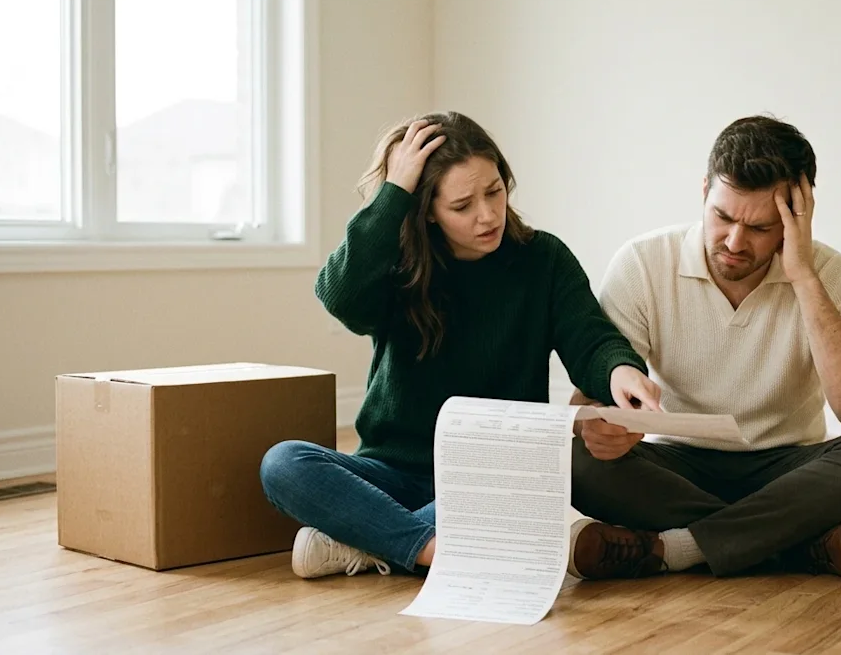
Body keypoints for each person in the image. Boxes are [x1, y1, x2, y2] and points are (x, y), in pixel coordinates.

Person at [259, 112, 659, 580]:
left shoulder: (544, 260)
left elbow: (592, 341)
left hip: (487, 474)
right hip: (391, 472)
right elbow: (339, 296)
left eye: (494, 191)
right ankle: (428, 548)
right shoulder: (398, 265)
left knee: (528, 484)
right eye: (462, 205)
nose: (488, 215)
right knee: (282, 463)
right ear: (427, 208)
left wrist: (621, 372)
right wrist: (394, 193)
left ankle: (369, 541)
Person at [565, 114, 841, 581]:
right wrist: (600, 424)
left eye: (760, 228)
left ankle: (677, 548)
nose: (734, 242)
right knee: (576, 460)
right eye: (723, 217)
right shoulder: (643, 262)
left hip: (789, 466)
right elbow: (590, 395)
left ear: (797, 219)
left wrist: (803, 276)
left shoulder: (833, 274)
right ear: (705, 189)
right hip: (678, 464)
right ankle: (793, 542)